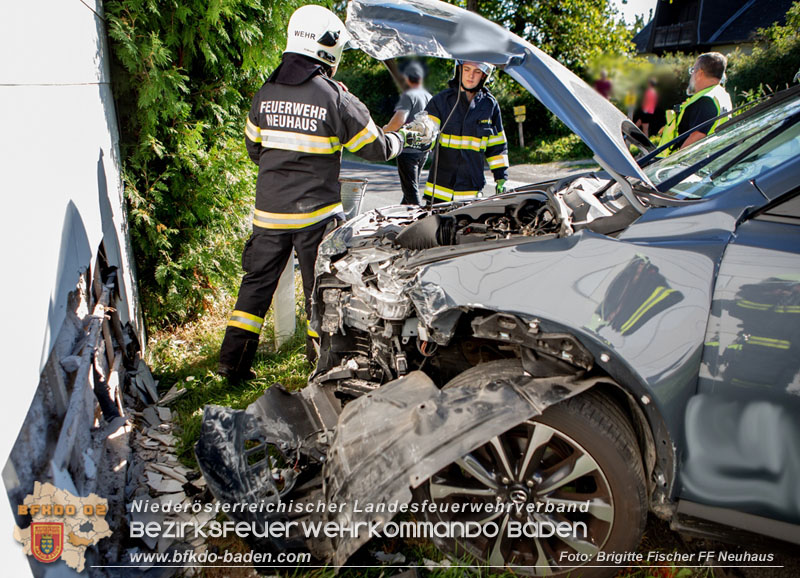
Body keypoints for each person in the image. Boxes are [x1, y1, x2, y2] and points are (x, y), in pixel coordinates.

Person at [218, 5, 420, 381]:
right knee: (320, 291)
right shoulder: (334, 97)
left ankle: (232, 364)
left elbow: (254, 149)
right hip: (317, 217)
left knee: (255, 287)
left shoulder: (265, 93)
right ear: (329, 48)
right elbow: (376, 148)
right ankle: (318, 364)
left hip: (269, 213)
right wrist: (405, 138)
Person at [423, 61, 508, 204]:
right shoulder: (441, 101)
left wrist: (501, 177)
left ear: (484, 76)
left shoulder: (489, 105)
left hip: (471, 190)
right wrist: (420, 136)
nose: (471, 76)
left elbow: (497, 145)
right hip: (439, 191)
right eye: (467, 69)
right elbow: (427, 130)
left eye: (477, 71)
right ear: (459, 70)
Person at [659, 52, 732, 156]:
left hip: (692, 161)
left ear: (700, 73)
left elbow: (696, 137)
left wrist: (672, 161)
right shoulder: (721, 95)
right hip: (710, 157)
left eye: (693, 70)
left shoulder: (706, 100)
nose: (691, 75)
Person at [383, 61, 432, 205]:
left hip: (408, 149)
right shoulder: (428, 96)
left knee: (411, 191)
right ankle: (401, 215)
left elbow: (398, 121)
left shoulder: (408, 96)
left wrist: (383, 130)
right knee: (410, 187)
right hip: (423, 149)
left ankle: (421, 216)